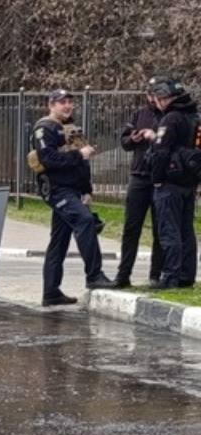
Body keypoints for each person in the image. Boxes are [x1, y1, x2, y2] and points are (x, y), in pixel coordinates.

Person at [32, 88, 115, 306]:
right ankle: (94, 275)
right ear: (51, 105)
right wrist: (78, 154)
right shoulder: (44, 128)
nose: (68, 106)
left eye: (70, 102)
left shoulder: (72, 128)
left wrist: (87, 190)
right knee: (85, 221)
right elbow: (48, 159)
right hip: (57, 189)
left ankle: (51, 293)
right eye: (62, 102)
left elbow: (83, 162)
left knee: (59, 240)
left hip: (73, 189)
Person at [148, 77, 199, 289]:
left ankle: (170, 276)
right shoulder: (195, 117)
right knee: (186, 230)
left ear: (163, 98)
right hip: (189, 181)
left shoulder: (171, 119)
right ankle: (186, 275)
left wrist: (157, 179)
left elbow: (161, 152)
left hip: (169, 183)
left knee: (169, 230)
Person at [115, 82, 164, 287]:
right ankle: (123, 274)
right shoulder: (139, 114)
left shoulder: (169, 116)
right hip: (139, 176)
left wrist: (154, 137)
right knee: (131, 227)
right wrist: (133, 138)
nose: (153, 99)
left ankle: (156, 275)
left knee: (160, 229)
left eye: (156, 94)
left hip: (160, 178)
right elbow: (124, 142)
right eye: (150, 94)